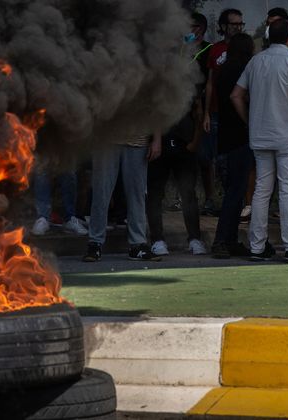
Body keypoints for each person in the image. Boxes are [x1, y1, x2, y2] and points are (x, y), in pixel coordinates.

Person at [232, 19, 288, 263]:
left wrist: (250, 121)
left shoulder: (255, 61)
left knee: (261, 190)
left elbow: (236, 95)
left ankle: (257, 247)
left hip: (260, 134)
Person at [145, 16, 209, 256]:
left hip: (184, 144)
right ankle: (157, 239)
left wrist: (195, 141)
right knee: (155, 194)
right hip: (160, 144)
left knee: (188, 193)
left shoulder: (191, 78)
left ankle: (195, 238)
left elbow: (199, 111)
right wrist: (156, 141)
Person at [208, 33, 257, 258]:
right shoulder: (242, 69)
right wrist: (248, 121)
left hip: (226, 136)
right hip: (239, 136)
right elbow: (238, 98)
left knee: (234, 191)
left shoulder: (225, 69)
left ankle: (230, 239)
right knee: (235, 191)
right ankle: (221, 240)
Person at [85, 130, 161, 262]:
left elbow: (156, 115)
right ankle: (94, 243)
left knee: (137, 195)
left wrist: (157, 140)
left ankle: (137, 244)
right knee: (101, 193)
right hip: (106, 139)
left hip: (138, 140)